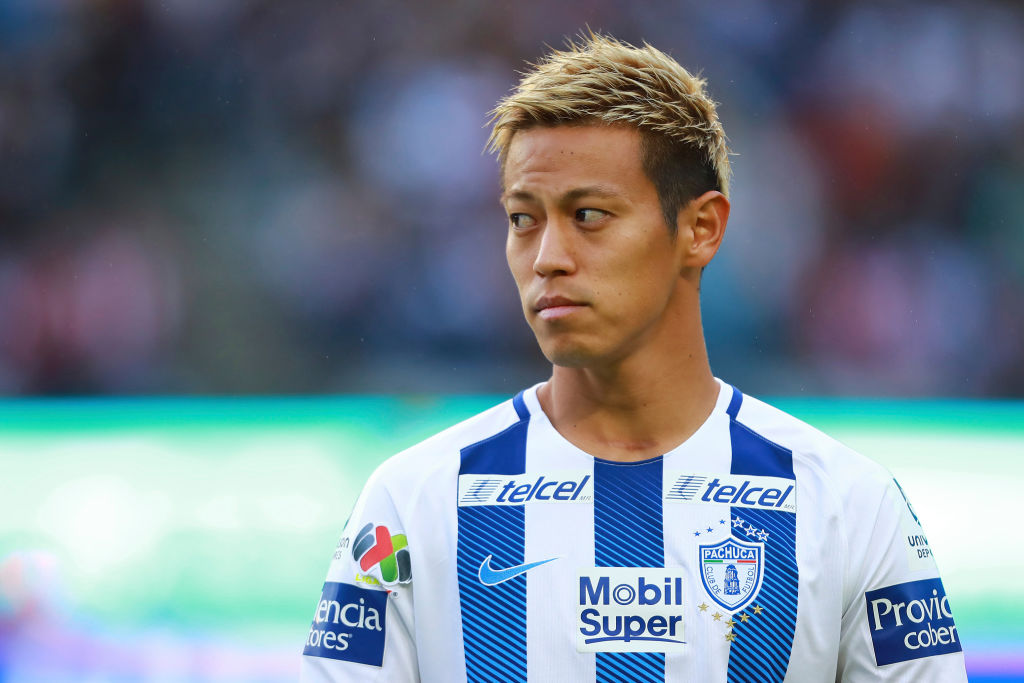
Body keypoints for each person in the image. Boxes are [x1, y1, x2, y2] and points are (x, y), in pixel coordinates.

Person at [300, 33, 968, 682]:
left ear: (700, 228)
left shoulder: (848, 506)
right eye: (523, 218)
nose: (547, 258)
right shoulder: (411, 503)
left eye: (588, 215)